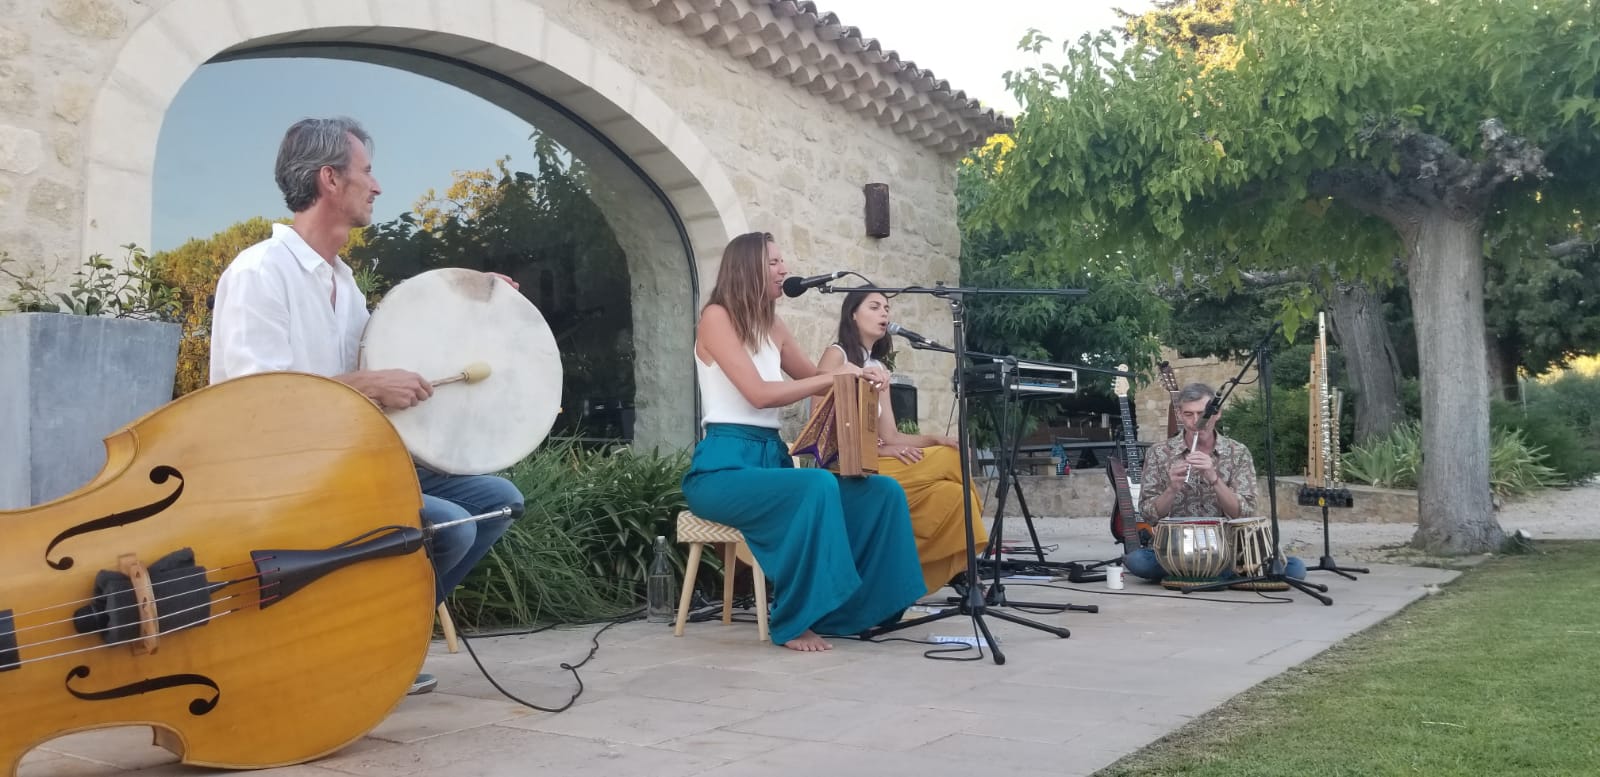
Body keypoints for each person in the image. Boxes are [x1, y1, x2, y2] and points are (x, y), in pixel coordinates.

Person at [208, 117, 523, 694]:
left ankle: (374, 643)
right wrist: (367, 386)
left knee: (496, 501)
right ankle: (358, 655)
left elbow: (400, 356)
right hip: (283, 480)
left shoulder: (345, 285)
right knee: (446, 525)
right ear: (330, 179)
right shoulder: (260, 273)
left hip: (347, 470)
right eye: (367, 172)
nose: (377, 186)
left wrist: (475, 298)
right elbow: (257, 403)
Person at [682, 232, 927, 652]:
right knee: (816, 485)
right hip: (722, 467)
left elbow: (818, 381)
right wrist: (839, 375)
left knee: (882, 492)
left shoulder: (774, 326)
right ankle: (796, 621)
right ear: (748, 268)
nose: (785, 270)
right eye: (774, 262)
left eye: (782, 262)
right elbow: (759, 394)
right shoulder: (716, 317)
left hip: (771, 461)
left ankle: (859, 610)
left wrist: (869, 377)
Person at [815, 290, 987, 594]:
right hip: (845, 467)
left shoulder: (880, 368)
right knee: (950, 461)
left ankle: (936, 573)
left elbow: (892, 435)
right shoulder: (837, 355)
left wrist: (935, 438)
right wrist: (880, 448)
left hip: (881, 461)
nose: (885, 313)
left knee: (953, 494)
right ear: (853, 314)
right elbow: (819, 421)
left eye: (887, 308)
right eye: (875, 306)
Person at [1125, 382, 1305, 581]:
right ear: (1180, 414)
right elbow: (1149, 515)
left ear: (1216, 413)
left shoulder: (1238, 452)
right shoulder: (1159, 453)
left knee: (1295, 569)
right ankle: (1229, 575)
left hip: (1229, 549)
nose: (1196, 422)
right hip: (1178, 548)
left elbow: (1244, 512)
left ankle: (1201, 574)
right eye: (1188, 414)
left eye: (1203, 414)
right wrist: (1172, 488)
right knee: (1137, 561)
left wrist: (1213, 478)